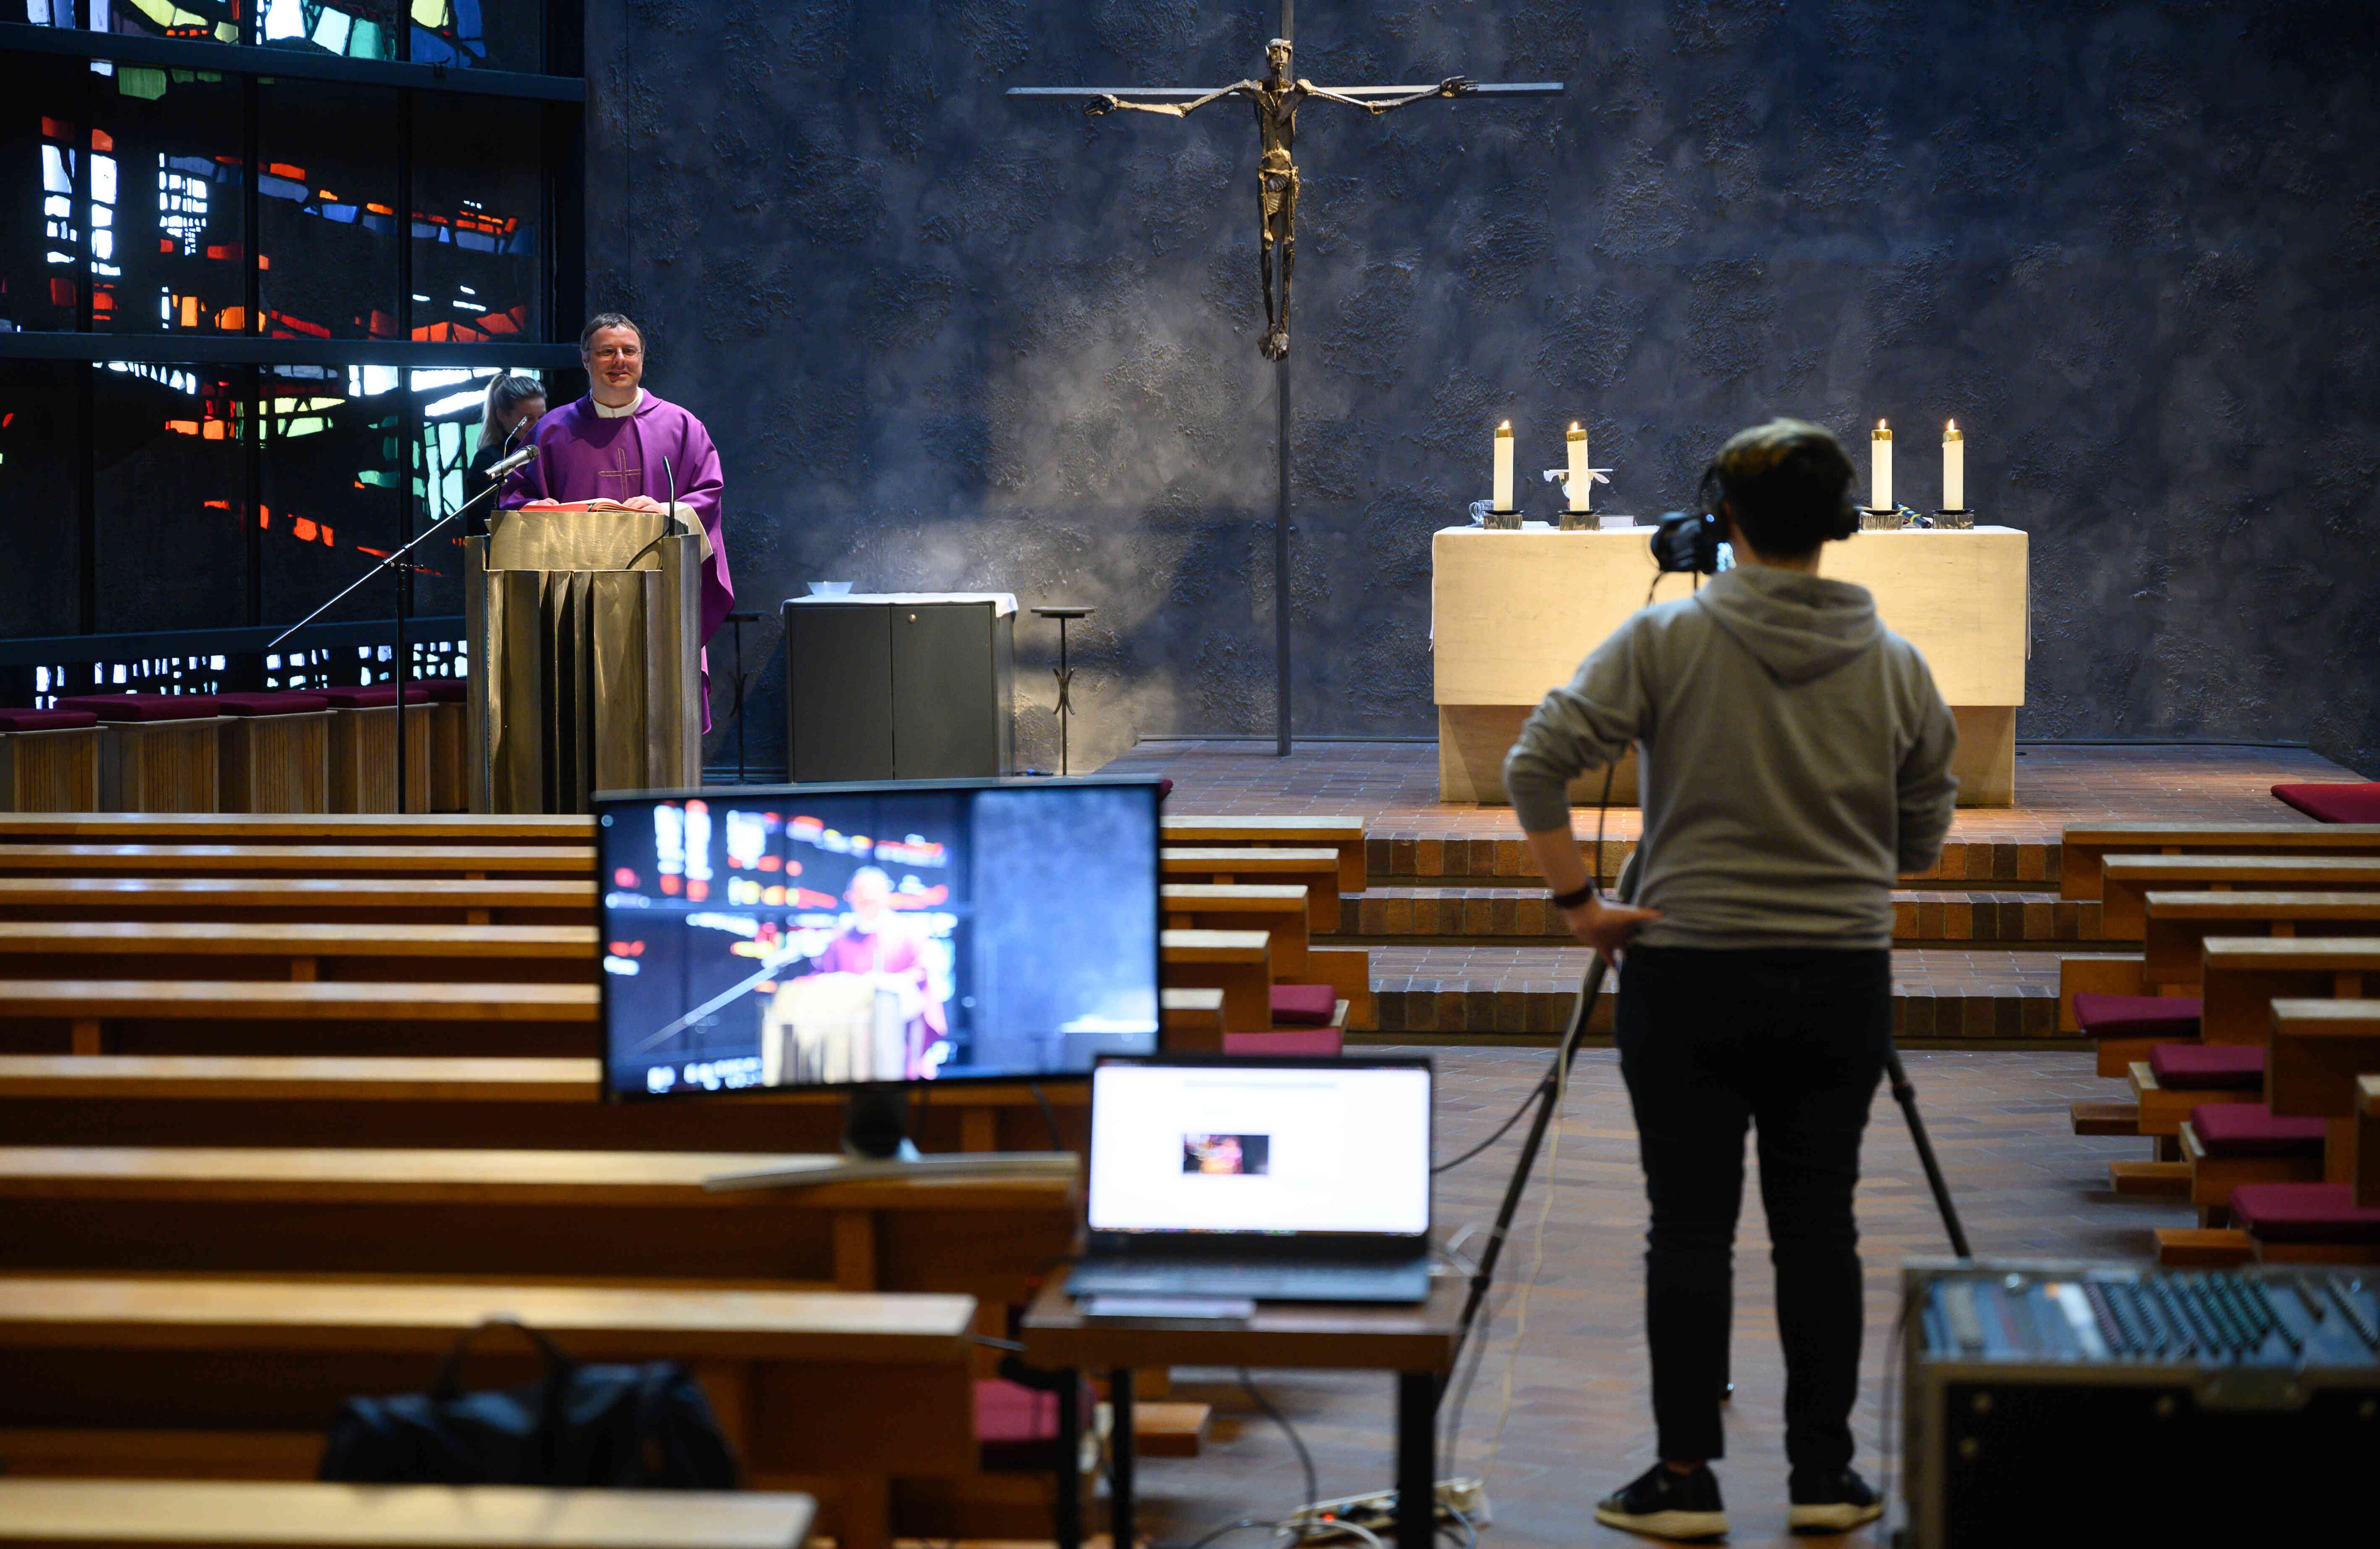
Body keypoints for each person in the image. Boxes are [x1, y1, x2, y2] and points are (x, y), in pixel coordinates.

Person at [1502, 419, 1957, 1540]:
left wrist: (1579, 905)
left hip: (1687, 974)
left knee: (1688, 1229)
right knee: (1821, 1230)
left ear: (1724, 520)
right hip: (1839, 979)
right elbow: (1919, 842)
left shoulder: (1667, 640)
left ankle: (1683, 1481)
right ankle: (1824, 1475)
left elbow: (1535, 762)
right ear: (1837, 525)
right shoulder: (1897, 664)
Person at [502, 312, 734, 726]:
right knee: (580, 718)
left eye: (629, 351)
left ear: (642, 358)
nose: (619, 360)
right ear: (585, 359)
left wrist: (666, 511)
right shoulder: (552, 431)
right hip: (575, 606)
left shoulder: (682, 426)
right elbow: (516, 498)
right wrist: (538, 511)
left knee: (659, 718)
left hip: (661, 597)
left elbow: (708, 494)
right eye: (606, 352)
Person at [464, 374, 545, 528]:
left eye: (542, 417)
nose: (537, 425)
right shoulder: (488, 460)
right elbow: (480, 523)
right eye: (528, 419)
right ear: (502, 416)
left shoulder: (547, 452)